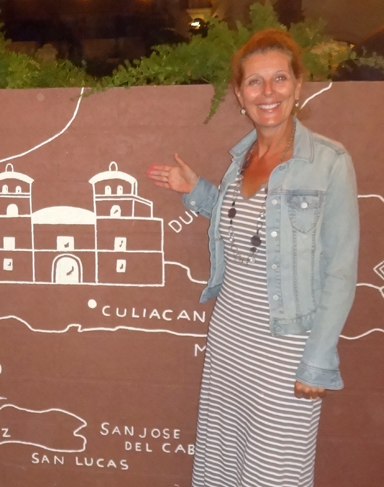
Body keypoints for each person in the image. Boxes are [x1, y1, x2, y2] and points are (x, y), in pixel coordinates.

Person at [147, 28, 359, 486]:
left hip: (285, 345)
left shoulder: (329, 162)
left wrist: (317, 361)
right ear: (240, 95)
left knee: (274, 469)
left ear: (298, 86)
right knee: (226, 460)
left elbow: (340, 270)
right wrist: (198, 191)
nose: (268, 92)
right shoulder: (240, 160)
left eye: (279, 79)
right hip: (231, 336)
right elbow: (250, 228)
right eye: (254, 82)